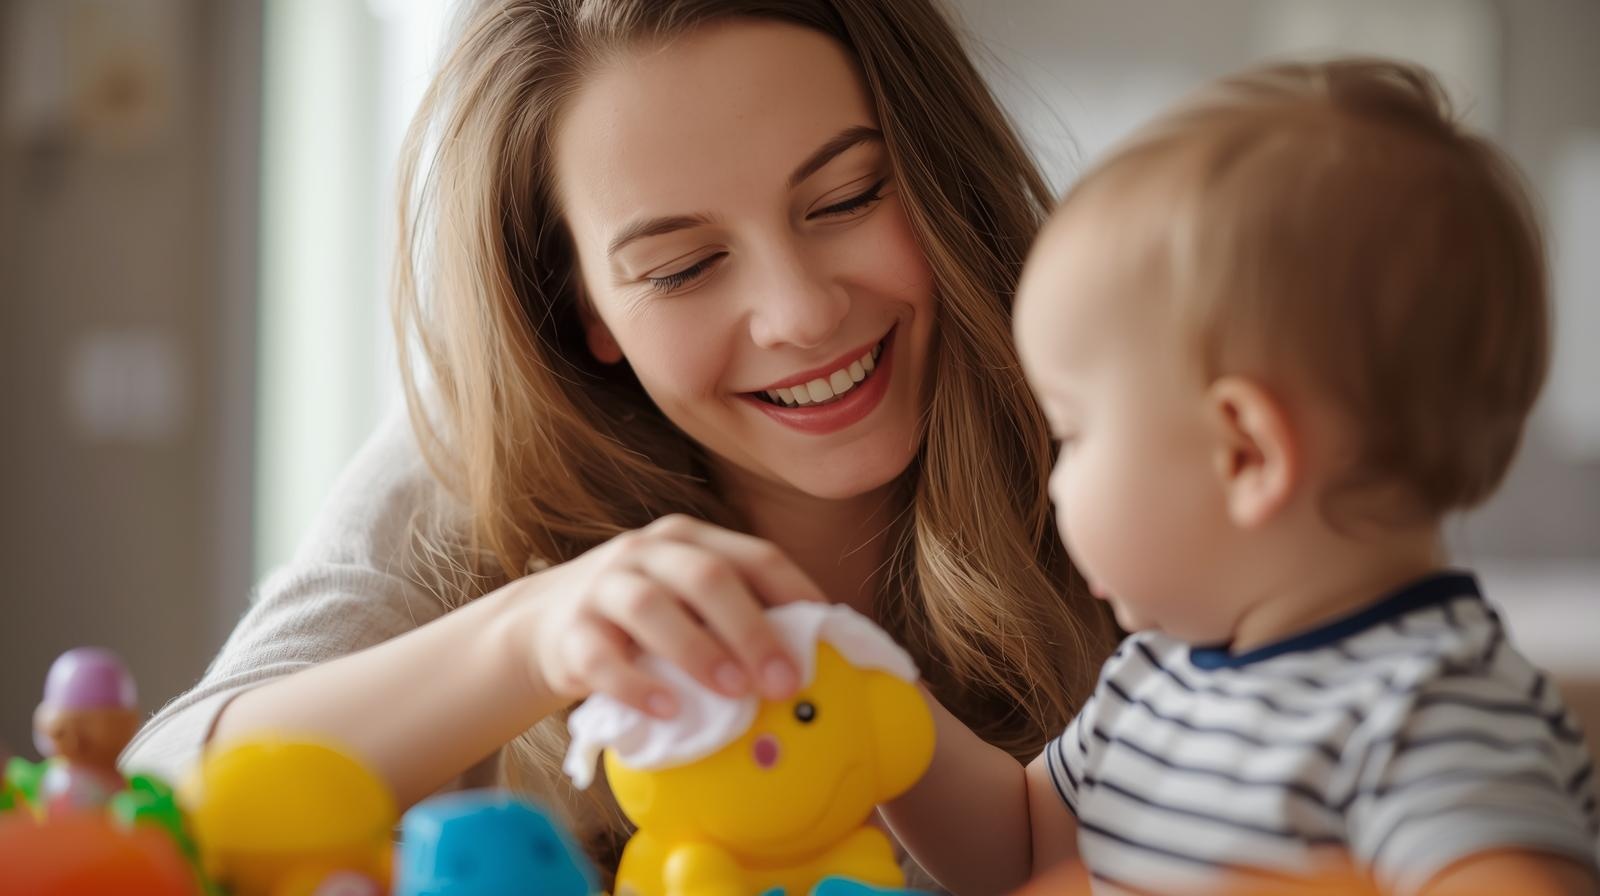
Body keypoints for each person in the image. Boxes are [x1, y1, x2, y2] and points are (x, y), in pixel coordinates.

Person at [121, 0, 1117, 882]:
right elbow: (156, 802)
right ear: (583, 309)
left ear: (938, 170)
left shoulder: (1130, 417)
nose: (800, 313)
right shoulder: (471, 467)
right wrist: (530, 632)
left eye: (848, 197)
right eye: (682, 266)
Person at [881, 59, 1600, 895]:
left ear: (1245, 454)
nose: (1053, 480)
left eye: (1071, 431)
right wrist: (878, 716)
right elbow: (1017, 848)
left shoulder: (1431, 713)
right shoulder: (1152, 681)